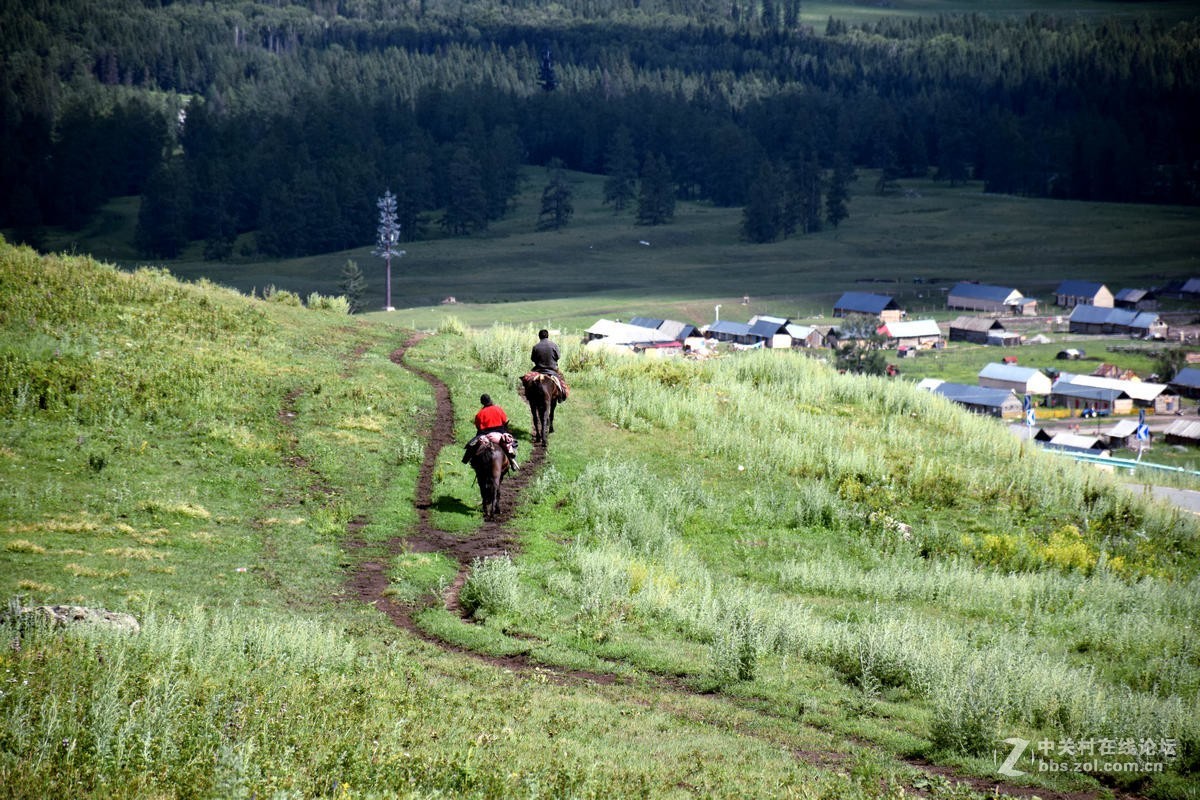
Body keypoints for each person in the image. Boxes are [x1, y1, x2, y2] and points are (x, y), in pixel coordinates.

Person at [463, 394, 519, 470]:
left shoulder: (479, 414)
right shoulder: (498, 409)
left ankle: (467, 460)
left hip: (484, 434)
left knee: (471, 446)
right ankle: (513, 461)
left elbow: (478, 426)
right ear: (490, 400)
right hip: (500, 432)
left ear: (482, 402)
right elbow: (504, 421)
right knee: (512, 443)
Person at [530, 329, 568, 401]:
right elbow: (558, 357)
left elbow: (532, 359)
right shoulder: (554, 345)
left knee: (528, 379)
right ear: (548, 336)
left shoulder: (535, 347)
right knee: (561, 381)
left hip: (538, 370)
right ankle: (561, 395)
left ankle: (528, 395)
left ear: (539, 337)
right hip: (552, 370)